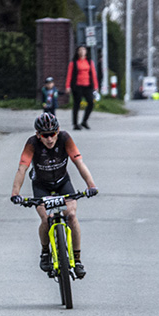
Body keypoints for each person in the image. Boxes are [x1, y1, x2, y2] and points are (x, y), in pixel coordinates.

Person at [10, 113, 98, 278]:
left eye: (52, 134)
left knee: (71, 216)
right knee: (46, 218)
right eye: (45, 135)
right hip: (41, 185)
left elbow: (79, 162)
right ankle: (45, 253)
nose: (50, 139)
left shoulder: (65, 138)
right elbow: (22, 168)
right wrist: (16, 193)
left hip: (62, 182)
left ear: (58, 131)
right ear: (38, 135)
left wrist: (91, 185)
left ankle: (77, 259)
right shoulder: (32, 143)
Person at [65, 46, 98, 130]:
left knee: (90, 102)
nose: (82, 52)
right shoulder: (74, 63)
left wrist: (96, 86)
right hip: (77, 86)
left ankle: (84, 121)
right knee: (77, 104)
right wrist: (68, 86)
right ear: (77, 52)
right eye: (80, 50)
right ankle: (75, 123)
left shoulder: (89, 62)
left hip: (87, 85)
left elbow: (93, 74)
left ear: (86, 52)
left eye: (83, 50)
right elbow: (69, 75)